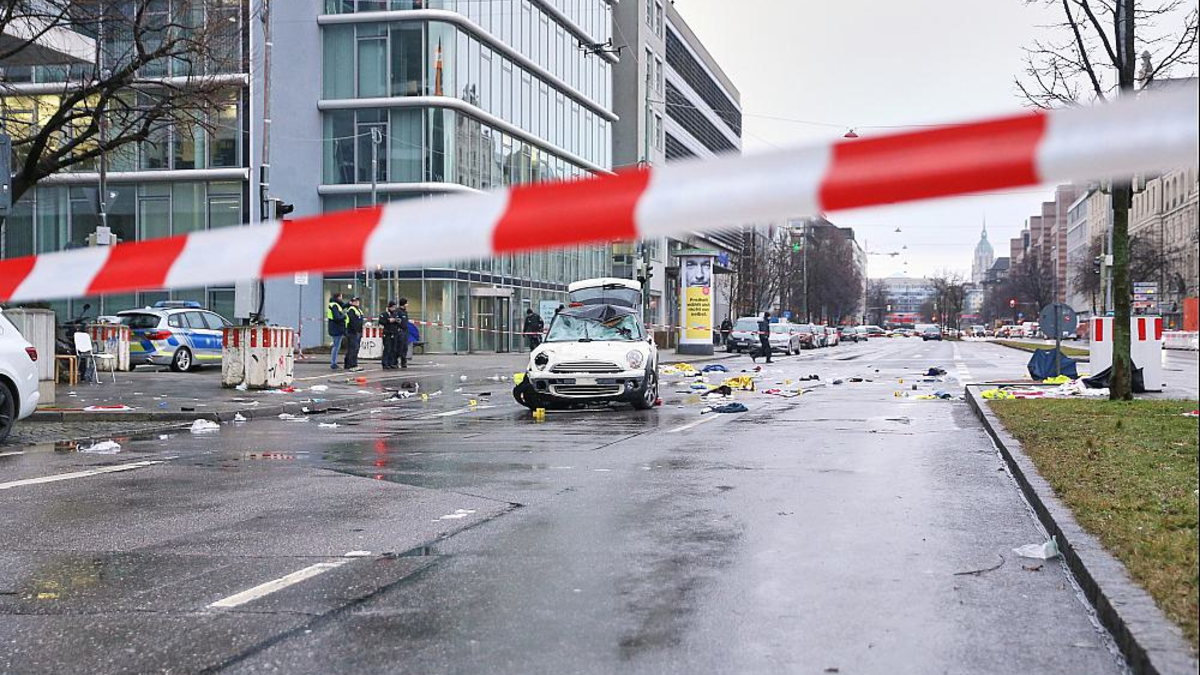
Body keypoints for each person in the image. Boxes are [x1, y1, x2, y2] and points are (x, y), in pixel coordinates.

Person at [379, 300, 402, 370]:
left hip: (394, 333)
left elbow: (399, 322)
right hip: (387, 333)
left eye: (394, 307)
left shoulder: (395, 314)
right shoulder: (384, 314)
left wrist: (397, 321)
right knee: (387, 348)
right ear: (389, 307)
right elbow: (381, 322)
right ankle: (385, 363)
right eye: (392, 307)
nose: (393, 309)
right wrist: (388, 320)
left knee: (393, 349)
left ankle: (392, 363)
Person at [344, 297, 365, 371]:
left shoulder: (358, 310)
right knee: (353, 348)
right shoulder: (351, 310)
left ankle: (350, 364)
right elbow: (352, 322)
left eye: (357, 301)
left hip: (357, 332)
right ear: (352, 302)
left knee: (354, 348)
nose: (357, 303)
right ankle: (352, 365)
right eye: (355, 301)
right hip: (352, 332)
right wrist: (356, 330)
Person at [326, 293, 346, 370]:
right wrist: (344, 316)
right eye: (341, 297)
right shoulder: (334, 305)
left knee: (336, 346)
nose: (342, 298)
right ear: (337, 297)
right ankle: (333, 364)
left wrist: (348, 304)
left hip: (335, 328)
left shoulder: (336, 305)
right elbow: (337, 317)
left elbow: (342, 306)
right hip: (336, 328)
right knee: (336, 347)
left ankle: (334, 363)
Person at [395, 298, 411, 369]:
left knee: (405, 347)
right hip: (400, 331)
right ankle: (395, 362)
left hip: (405, 331)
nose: (407, 305)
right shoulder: (398, 312)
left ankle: (403, 362)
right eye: (406, 303)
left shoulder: (405, 312)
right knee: (399, 347)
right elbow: (398, 321)